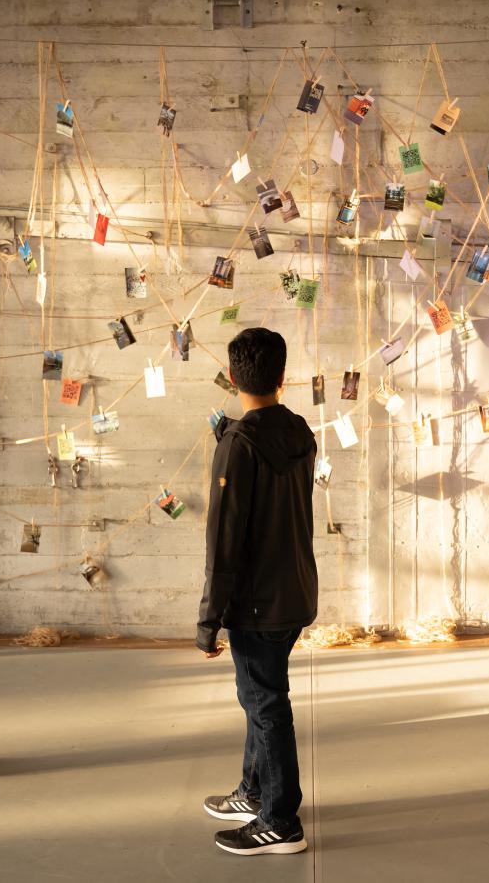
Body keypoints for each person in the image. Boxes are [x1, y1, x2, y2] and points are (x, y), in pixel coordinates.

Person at [196, 327, 318, 856]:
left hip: (257, 601)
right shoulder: (298, 432)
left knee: (265, 703)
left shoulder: (238, 443)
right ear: (282, 377)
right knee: (258, 697)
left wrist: (208, 620)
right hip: (294, 591)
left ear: (232, 377)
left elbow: (224, 540)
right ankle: (255, 791)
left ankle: (279, 820)